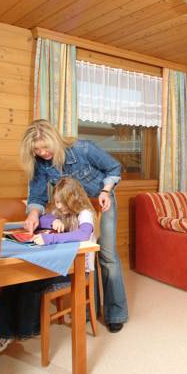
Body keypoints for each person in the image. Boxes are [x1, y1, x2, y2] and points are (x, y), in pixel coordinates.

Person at [20, 119, 127, 333]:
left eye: (45, 147)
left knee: (107, 256)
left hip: (102, 201)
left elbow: (114, 167)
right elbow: (37, 197)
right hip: (74, 210)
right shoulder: (40, 163)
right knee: (83, 256)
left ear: (55, 140)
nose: (42, 153)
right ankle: (89, 309)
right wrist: (33, 215)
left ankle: (115, 313)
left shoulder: (83, 148)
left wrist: (105, 191)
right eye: (37, 150)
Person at [0, 177, 97, 352]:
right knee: (14, 281)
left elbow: (83, 234)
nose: (58, 206)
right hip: (61, 262)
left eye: (61, 202)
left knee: (32, 281)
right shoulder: (62, 211)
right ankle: (6, 332)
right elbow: (43, 220)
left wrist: (50, 238)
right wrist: (53, 221)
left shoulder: (85, 213)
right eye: (56, 202)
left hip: (78, 269)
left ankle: (27, 329)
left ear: (73, 199)